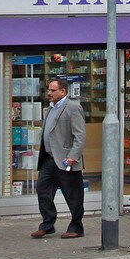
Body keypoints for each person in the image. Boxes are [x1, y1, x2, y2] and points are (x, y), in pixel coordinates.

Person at [32, 75, 86, 239]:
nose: (49, 93)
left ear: (63, 91)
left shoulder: (73, 107)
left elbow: (80, 135)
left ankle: (76, 227)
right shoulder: (51, 107)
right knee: (43, 190)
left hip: (66, 159)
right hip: (49, 158)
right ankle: (47, 224)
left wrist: (73, 156)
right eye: (48, 90)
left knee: (73, 194)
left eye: (53, 90)